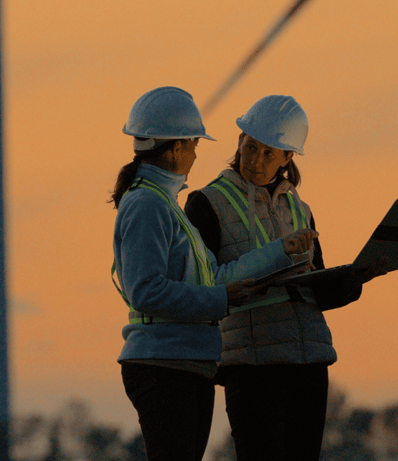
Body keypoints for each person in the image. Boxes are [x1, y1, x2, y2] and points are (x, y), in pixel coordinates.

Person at [111, 87, 314, 461]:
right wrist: (221, 299)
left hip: (186, 363)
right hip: (164, 363)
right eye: (193, 144)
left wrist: (280, 251)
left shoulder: (162, 203)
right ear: (175, 148)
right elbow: (146, 290)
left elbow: (217, 277)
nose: (195, 153)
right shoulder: (148, 205)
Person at [184, 94, 388, 461]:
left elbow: (316, 291)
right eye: (251, 147)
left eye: (269, 153)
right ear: (240, 142)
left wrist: (355, 279)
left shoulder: (300, 208)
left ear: (288, 157)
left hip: (309, 360)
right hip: (252, 366)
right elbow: (205, 284)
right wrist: (277, 255)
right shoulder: (205, 203)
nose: (256, 160)